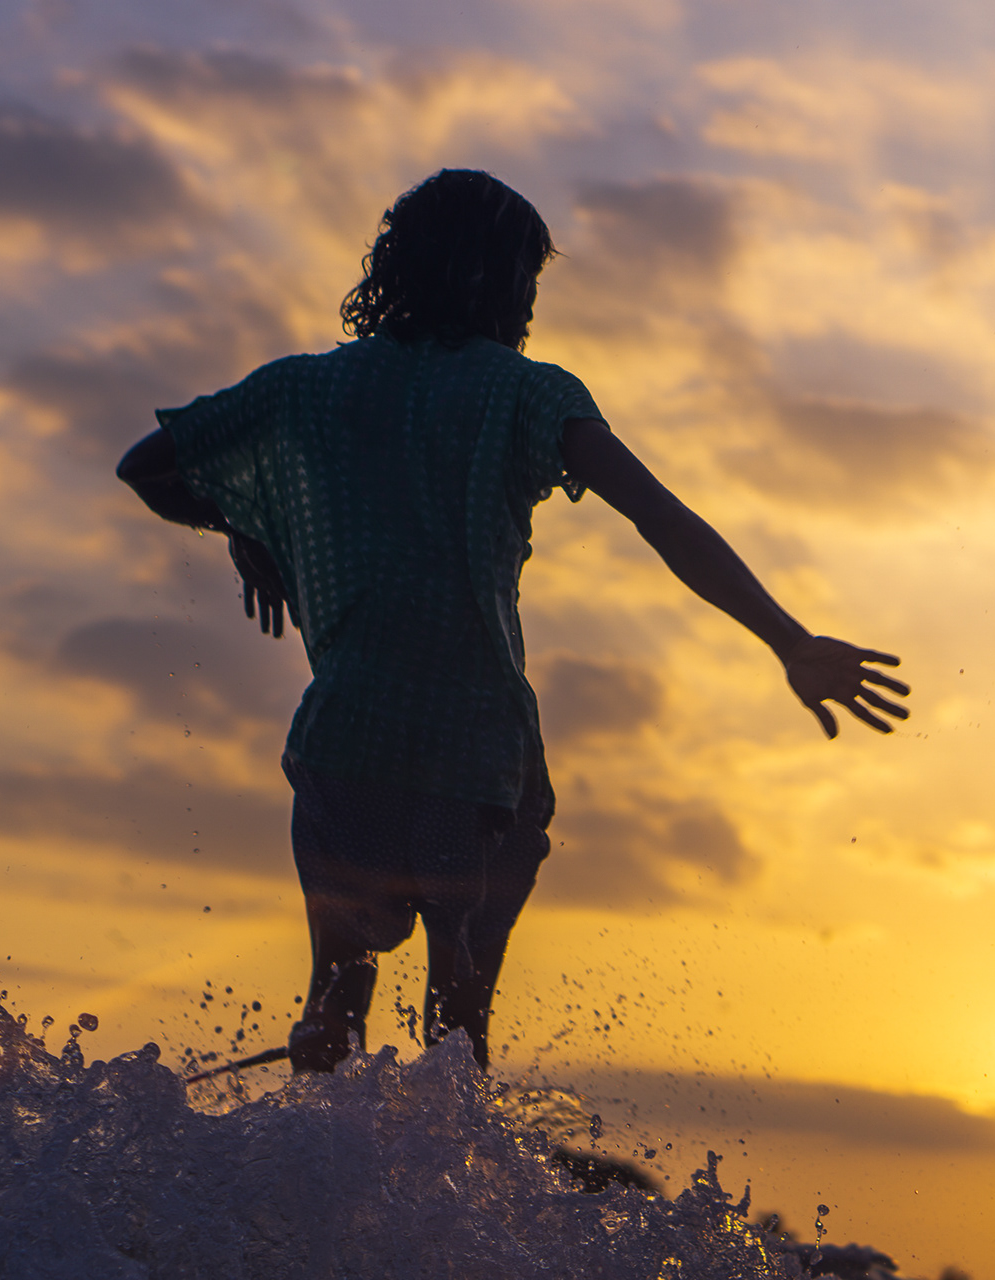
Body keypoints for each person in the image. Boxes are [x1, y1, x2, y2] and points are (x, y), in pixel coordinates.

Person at [118, 169, 907, 1074]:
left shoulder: (302, 390)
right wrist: (788, 639)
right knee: (457, 1037)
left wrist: (245, 527)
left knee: (332, 1012)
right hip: (476, 750)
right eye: (527, 283)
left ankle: (299, 1205)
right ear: (498, 282)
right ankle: (427, 1215)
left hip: (351, 735)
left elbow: (148, 468)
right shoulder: (528, 393)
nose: (529, 306)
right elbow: (659, 515)